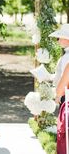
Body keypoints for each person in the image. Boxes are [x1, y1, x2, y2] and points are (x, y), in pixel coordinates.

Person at [49, 24, 69, 154]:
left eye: (61, 37)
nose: (58, 40)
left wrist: (58, 95)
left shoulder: (67, 57)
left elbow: (63, 82)